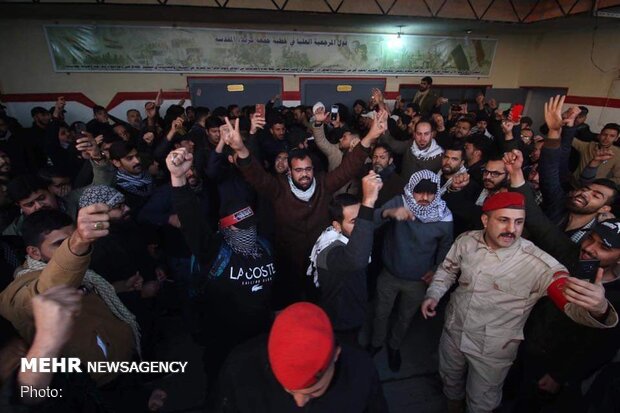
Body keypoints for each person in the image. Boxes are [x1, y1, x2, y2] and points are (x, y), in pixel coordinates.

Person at [421, 191, 618, 413]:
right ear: (486, 220)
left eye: (519, 222)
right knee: (450, 381)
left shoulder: (540, 265)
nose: (512, 229)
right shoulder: (466, 240)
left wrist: (600, 309)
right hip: (453, 331)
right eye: (503, 220)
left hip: (494, 350)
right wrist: (434, 294)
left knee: (482, 402)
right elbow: (448, 271)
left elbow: (571, 306)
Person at [227, 112, 386, 307]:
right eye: (299, 170)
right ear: (290, 171)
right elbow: (256, 176)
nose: (304, 175)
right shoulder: (278, 188)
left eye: (308, 169)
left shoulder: (323, 184)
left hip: (318, 262)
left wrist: (370, 136)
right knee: (290, 303)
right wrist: (241, 148)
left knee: (317, 301)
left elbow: (348, 168)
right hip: (287, 261)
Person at [167, 147, 275, 393]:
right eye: (241, 229)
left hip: (259, 338)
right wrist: (178, 179)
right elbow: (192, 221)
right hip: (223, 340)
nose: (248, 234)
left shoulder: (264, 246)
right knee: (222, 388)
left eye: (251, 227)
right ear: (226, 229)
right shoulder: (214, 250)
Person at [215, 302, 388, 412]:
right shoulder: (240, 370)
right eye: (289, 391)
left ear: (336, 354)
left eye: (315, 391)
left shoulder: (361, 372)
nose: (300, 403)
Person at [370, 170, 453, 371]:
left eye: (430, 193)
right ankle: (376, 344)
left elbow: (446, 250)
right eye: (419, 192)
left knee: (405, 317)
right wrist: (388, 213)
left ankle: (394, 346)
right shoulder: (400, 202)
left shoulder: (444, 217)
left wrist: (435, 270)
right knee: (381, 312)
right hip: (389, 274)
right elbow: (369, 220)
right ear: (411, 190)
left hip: (418, 281)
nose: (424, 198)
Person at [308, 170, 382, 345]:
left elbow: (367, 224)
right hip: (341, 322)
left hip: (355, 311)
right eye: (354, 221)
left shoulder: (347, 236)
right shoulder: (329, 250)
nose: (361, 226)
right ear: (336, 225)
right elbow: (357, 259)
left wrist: (387, 213)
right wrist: (369, 201)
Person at [538, 96, 618, 244]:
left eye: (596, 195)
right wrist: (560, 129)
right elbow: (559, 156)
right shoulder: (559, 205)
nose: (585, 193)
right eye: (605, 134)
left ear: (605, 209)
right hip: (571, 183)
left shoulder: (597, 239)